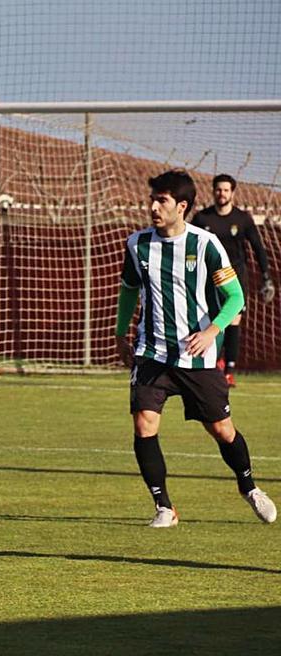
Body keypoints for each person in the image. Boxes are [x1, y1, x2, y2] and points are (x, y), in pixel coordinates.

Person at [115, 169, 275, 528]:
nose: (153, 207)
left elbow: (235, 297)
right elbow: (128, 288)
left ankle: (248, 486)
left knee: (221, 429)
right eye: (152, 199)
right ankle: (164, 507)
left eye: (162, 201)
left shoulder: (205, 245)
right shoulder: (136, 244)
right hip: (152, 353)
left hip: (197, 356)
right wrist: (120, 330)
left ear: (182, 206)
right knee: (144, 424)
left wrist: (213, 331)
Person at [191, 173, 275, 387]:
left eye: (226, 190)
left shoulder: (243, 219)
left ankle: (228, 369)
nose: (222, 193)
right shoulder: (202, 218)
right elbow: (189, 245)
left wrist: (266, 276)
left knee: (233, 321)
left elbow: (257, 248)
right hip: (207, 279)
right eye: (218, 189)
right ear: (213, 191)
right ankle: (211, 363)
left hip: (235, 278)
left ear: (233, 193)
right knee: (210, 321)